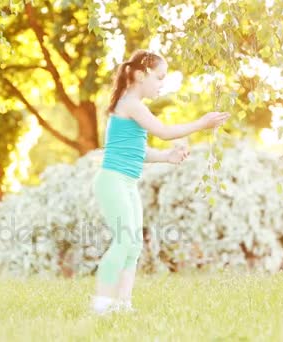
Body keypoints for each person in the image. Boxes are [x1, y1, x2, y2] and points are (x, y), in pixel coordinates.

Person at [90, 49, 231, 315]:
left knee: (133, 244)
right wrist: (202, 123)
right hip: (112, 181)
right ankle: (102, 303)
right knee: (123, 240)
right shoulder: (131, 103)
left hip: (127, 182)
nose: (162, 84)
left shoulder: (132, 106)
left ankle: (122, 305)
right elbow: (164, 132)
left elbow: (136, 152)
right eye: (159, 77)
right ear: (141, 75)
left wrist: (167, 157)